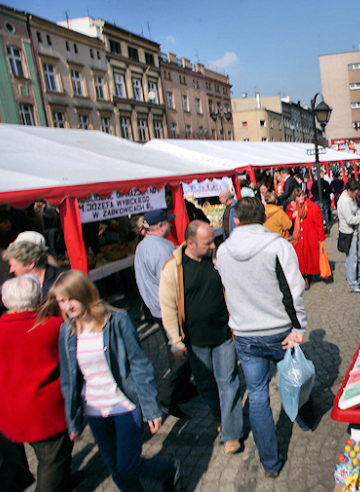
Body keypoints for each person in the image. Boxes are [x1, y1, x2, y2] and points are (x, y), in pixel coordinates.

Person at [48, 270, 180, 492]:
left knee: (128, 464)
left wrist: (150, 408)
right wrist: (73, 420)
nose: (67, 306)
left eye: (70, 298)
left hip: (124, 405)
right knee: (115, 467)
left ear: (84, 293)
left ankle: (168, 470)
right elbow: (69, 380)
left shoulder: (117, 321)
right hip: (95, 411)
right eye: (61, 301)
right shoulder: (67, 330)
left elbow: (139, 364)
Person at [215, 196, 313, 478]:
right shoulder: (278, 246)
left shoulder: (222, 251)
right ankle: (305, 420)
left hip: (245, 333)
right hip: (278, 329)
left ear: (235, 221)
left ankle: (270, 461)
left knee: (257, 396)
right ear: (264, 218)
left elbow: (228, 288)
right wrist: (299, 327)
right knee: (295, 378)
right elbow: (294, 290)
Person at [158, 221, 244, 455]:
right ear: (190, 243)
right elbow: (167, 307)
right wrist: (175, 341)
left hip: (223, 335)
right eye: (207, 243)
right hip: (195, 342)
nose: (212, 245)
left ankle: (231, 433)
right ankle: (221, 417)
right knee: (206, 386)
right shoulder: (173, 268)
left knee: (229, 383)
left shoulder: (217, 260)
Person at [0, 275, 72, 492]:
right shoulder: (55, 326)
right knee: (52, 463)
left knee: (14, 463)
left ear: (5, 302)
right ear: (40, 298)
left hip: (4, 414)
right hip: (46, 413)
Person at [134, 208, 193, 419]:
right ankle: (169, 395)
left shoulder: (144, 246)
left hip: (157, 307)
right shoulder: (160, 249)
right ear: (160, 226)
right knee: (181, 352)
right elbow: (170, 281)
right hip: (169, 308)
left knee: (176, 350)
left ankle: (183, 389)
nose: (170, 224)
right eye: (167, 222)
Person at [2, 231, 67, 297]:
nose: (11, 270)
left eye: (13, 265)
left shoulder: (62, 279)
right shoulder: (20, 285)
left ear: (30, 264)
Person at [286, 188, 326, 290]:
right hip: (298, 237)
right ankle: (303, 277)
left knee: (310, 257)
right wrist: (292, 216)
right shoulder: (291, 207)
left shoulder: (312, 206)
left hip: (310, 235)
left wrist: (321, 237)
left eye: (303, 195)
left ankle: (309, 276)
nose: (301, 198)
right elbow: (286, 219)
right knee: (299, 258)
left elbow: (318, 223)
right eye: (299, 196)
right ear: (295, 197)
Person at [337, 180, 360, 293]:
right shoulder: (344, 201)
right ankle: (352, 284)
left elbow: (357, 210)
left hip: (355, 232)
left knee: (357, 257)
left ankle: (357, 278)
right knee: (351, 259)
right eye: (356, 194)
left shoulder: (351, 198)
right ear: (350, 191)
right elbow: (350, 219)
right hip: (348, 233)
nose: (357, 196)